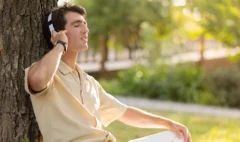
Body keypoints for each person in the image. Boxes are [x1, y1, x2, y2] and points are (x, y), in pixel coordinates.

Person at [24, 3, 191, 142]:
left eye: (85, 24)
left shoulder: (89, 82)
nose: (85, 30)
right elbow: (38, 81)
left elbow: (125, 113)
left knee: (176, 137)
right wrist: (60, 44)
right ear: (56, 32)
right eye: (77, 25)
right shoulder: (47, 74)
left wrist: (169, 123)